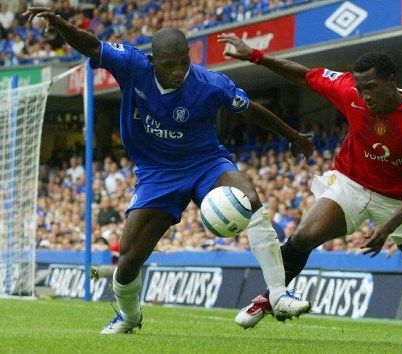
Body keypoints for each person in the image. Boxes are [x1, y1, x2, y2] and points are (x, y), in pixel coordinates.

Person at [25, 8, 314, 334]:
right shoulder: (133, 65)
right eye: (169, 65)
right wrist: (62, 24)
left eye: (183, 62)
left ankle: (278, 292)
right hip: (157, 172)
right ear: (153, 60)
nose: (178, 71)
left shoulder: (211, 84)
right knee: (130, 259)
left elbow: (250, 110)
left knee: (250, 198)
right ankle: (129, 316)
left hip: (206, 163)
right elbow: (93, 46)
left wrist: (294, 136)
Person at [218, 33, 402, 345]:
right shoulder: (349, 90)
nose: (363, 94)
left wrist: (387, 227)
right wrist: (256, 56)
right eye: (360, 87)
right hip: (350, 182)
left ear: (391, 81)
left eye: (370, 87)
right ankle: (270, 298)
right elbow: (304, 75)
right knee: (302, 237)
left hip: (397, 199)